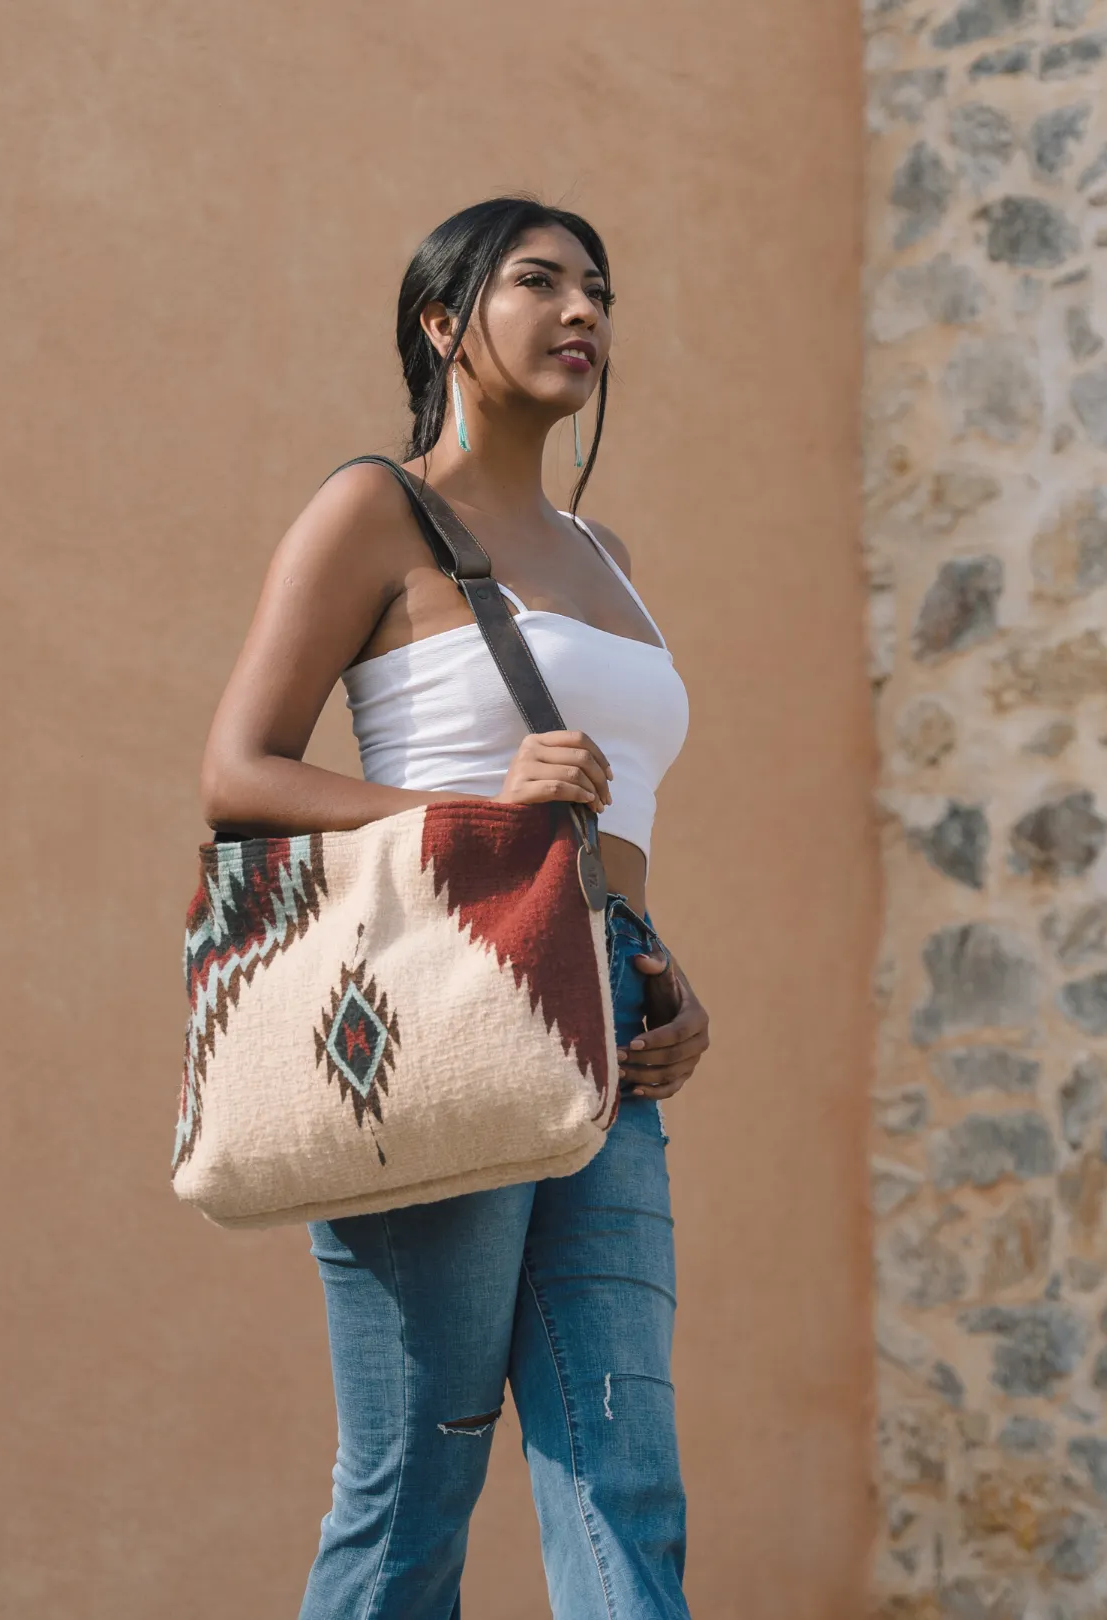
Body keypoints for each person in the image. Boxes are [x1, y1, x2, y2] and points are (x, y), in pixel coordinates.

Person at [198, 195, 708, 1620]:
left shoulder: (611, 562)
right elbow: (237, 774)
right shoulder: (375, 509)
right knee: (417, 1481)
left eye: (597, 286)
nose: (581, 311)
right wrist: (474, 818)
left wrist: (660, 968)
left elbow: (613, 826)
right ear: (444, 323)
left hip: (601, 1012)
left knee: (626, 1474)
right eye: (537, 282)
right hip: (436, 1002)